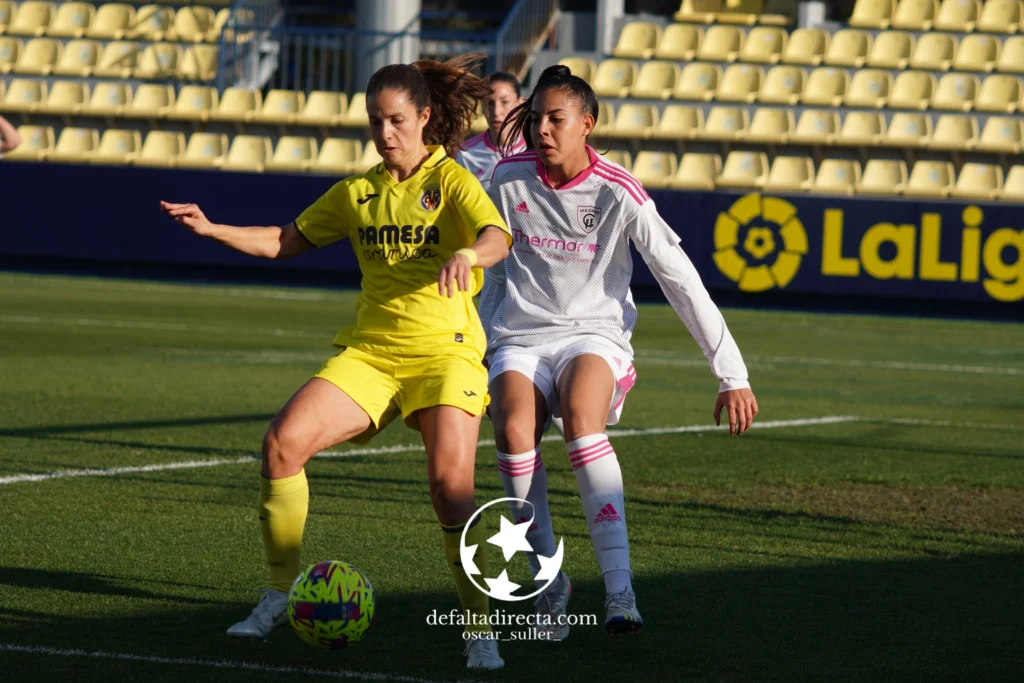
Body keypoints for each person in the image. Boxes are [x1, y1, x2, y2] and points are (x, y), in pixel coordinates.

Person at [159, 56, 512, 670]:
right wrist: (212, 230)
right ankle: (277, 595)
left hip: (445, 352)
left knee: (450, 492)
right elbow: (283, 240)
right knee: (281, 444)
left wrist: (469, 255)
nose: (384, 133)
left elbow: (496, 236)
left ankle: (479, 627)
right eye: (375, 121)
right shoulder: (357, 192)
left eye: (396, 120)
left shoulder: (452, 180)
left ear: (425, 116)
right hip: (372, 354)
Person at [480, 65, 759, 640]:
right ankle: (547, 580)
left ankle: (620, 590)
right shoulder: (507, 179)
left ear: (588, 123)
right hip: (521, 336)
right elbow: (491, 268)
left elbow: (680, 279)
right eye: (536, 120)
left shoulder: (618, 189)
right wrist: (482, 350)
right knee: (512, 433)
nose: (544, 130)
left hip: (593, 333)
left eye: (557, 119)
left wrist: (731, 373)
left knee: (582, 419)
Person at [455, 71, 526, 189]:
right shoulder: (466, 154)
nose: (496, 112)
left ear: (521, 105)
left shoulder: (537, 150)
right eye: (490, 103)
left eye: (505, 102)